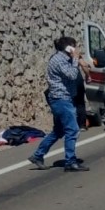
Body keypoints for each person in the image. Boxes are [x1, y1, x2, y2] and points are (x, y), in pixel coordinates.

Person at [29, 36, 90, 172]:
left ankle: (38, 155)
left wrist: (77, 59)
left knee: (59, 130)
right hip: (60, 99)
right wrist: (75, 59)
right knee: (73, 130)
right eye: (74, 46)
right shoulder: (59, 60)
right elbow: (72, 75)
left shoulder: (64, 59)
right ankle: (70, 161)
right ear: (69, 48)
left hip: (64, 98)